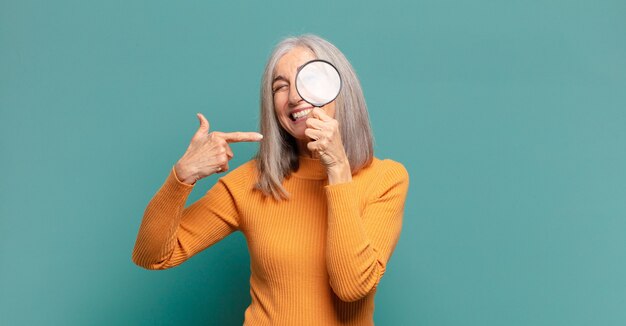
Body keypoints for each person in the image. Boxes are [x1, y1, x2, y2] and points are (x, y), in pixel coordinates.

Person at [132, 34, 409, 325]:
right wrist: (182, 176)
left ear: (340, 90)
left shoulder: (386, 179)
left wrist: (337, 169)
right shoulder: (251, 182)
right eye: (280, 87)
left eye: (309, 79)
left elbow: (351, 287)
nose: (293, 96)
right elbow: (151, 256)